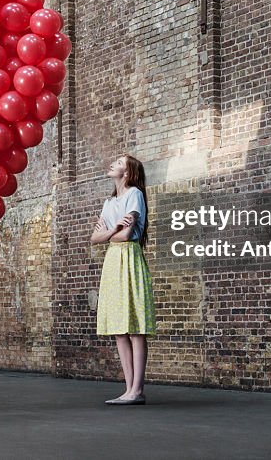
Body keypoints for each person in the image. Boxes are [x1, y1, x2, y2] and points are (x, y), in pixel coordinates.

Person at [90, 154, 156, 405]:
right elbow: (94, 239)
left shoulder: (134, 195)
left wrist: (112, 231)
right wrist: (115, 229)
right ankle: (128, 389)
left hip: (129, 258)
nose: (112, 164)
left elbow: (127, 236)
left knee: (136, 328)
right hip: (113, 262)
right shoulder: (109, 202)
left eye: (118, 162)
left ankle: (137, 389)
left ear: (127, 172)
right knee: (119, 329)